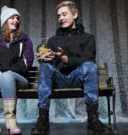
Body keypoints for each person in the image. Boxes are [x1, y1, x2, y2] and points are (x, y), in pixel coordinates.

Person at [30, 1, 111, 135]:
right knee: (44, 67)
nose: (61, 18)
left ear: (74, 14)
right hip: (59, 80)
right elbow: (51, 66)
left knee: (90, 67)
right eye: (58, 16)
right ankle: (43, 119)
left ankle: (93, 118)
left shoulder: (88, 38)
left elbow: (88, 60)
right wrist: (45, 60)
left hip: (78, 79)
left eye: (64, 14)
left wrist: (66, 59)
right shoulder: (53, 40)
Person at [0, 5, 34, 135]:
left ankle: (11, 121)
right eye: (12, 17)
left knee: (7, 76)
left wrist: (10, 71)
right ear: (5, 20)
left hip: (18, 78)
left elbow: (27, 60)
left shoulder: (24, 40)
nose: (16, 20)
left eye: (17, 18)